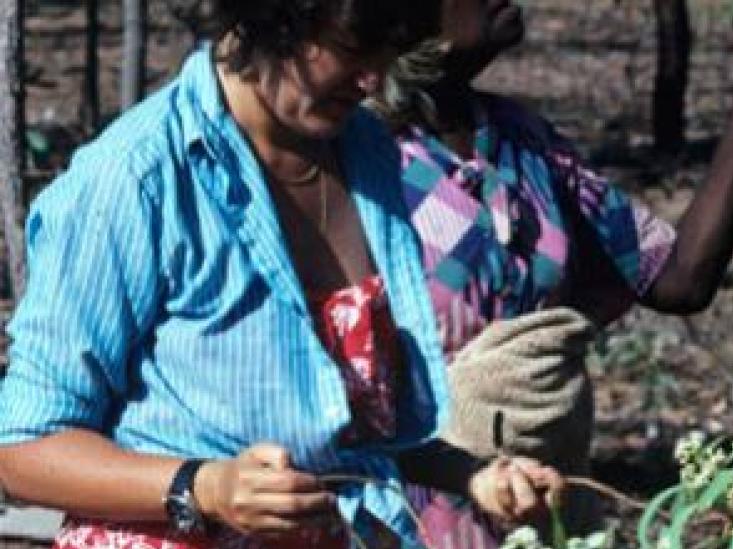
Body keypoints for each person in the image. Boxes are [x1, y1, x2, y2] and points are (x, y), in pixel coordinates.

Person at [0, 1, 566, 548]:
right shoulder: (136, 178)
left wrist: (471, 475)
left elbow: (342, 434)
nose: (372, 79)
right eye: (351, 49)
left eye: (387, 51)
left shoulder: (366, 153)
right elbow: (22, 448)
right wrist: (205, 488)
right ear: (271, 19)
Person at [365, 0, 733, 545]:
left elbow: (677, 276)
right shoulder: (362, 162)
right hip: (413, 515)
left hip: (546, 504)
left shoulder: (520, 140)